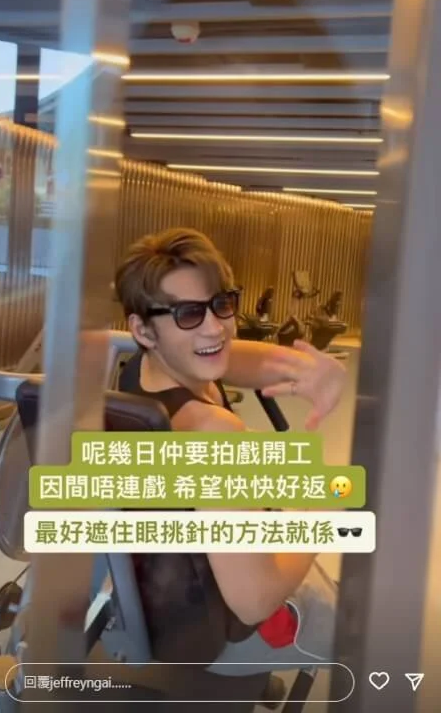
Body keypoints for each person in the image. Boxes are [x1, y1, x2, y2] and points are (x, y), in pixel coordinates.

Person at [115, 227, 344, 675]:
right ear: (142, 329)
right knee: (372, 633)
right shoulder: (213, 434)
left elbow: (238, 356)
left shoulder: (149, 369)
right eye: (187, 313)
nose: (215, 327)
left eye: (221, 304)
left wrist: (312, 369)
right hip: (224, 634)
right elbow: (255, 601)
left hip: (176, 590)